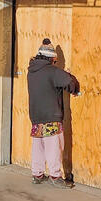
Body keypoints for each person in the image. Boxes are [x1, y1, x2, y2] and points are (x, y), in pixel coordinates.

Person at [26, 37, 80, 186]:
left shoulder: (31, 71)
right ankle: (55, 176)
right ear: (51, 59)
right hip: (51, 115)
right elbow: (69, 84)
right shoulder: (52, 71)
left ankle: (37, 174)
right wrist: (70, 77)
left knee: (38, 146)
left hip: (36, 115)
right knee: (54, 147)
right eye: (55, 61)